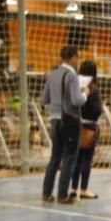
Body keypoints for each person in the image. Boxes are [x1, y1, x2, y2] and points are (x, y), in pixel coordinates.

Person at [41, 45, 87, 204]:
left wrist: (57, 99)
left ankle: (46, 193)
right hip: (69, 121)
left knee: (55, 157)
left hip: (54, 120)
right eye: (77, 57)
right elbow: (76, 100)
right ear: (73, 57)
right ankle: (62, 195)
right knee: (69, 158)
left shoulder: (52, 74)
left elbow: (44, 99)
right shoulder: (72, 76)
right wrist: (85, 94)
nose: (78, 61)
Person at [71, 60, 102, 200]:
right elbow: (97, 111)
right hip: (89, 127)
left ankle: (73, 188)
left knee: (76, 159)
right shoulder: (93, 89)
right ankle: (83, 189)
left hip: (76, 125)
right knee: (86, 160)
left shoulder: (75, 87)